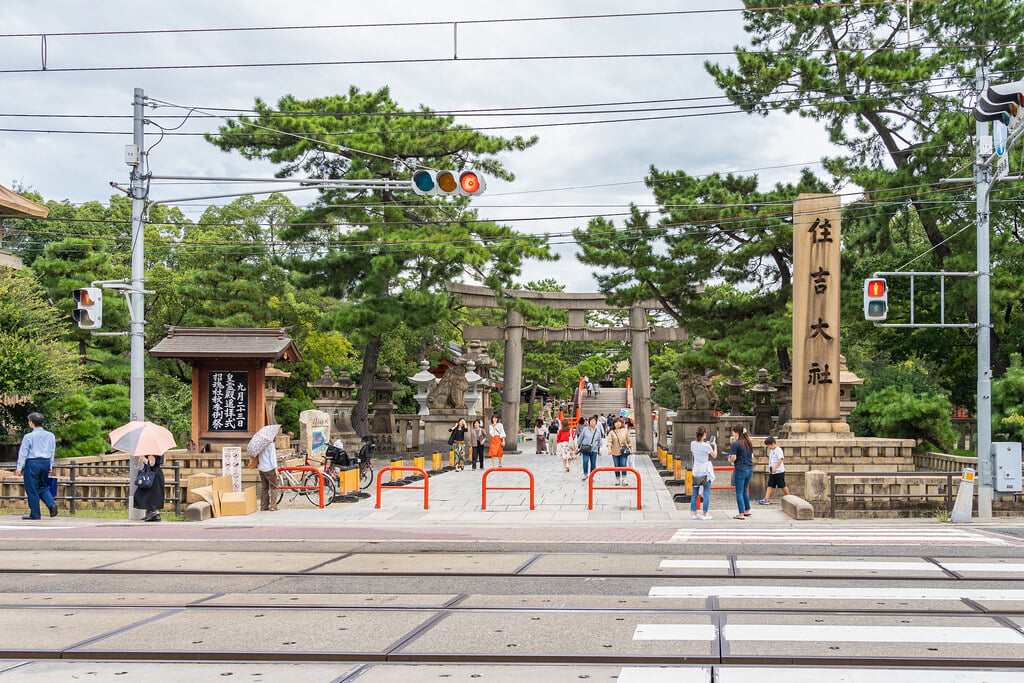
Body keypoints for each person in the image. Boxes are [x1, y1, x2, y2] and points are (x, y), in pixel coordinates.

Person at [16, 412, 57, 520]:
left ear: (31, 422)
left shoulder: (29, 436)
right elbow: (52, 451)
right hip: (45, 462)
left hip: (33, 462)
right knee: (42, 486)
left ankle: (35, 514)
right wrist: (51, 464)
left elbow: (23, 452)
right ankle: (51, 504)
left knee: (31, 488)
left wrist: (19, 467)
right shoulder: (50, 435)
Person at [689, 426, 717, 520]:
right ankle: (704, 514)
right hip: (705, 470)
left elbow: (694, 453)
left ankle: (694, 513)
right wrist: (714, 445)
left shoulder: (692, 443)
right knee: (706, 493)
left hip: (696, 470)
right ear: (704, 435)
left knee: (694, 493)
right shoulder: (707, 446)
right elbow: (714, 455)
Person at [728, 423, 755, 519]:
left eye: (733, 432)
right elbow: (752, 456)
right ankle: (747, 510)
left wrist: (729, 459)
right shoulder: (748, 442)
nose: (733, 434)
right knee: (744, 490)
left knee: (739, 492)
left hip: (740, 469)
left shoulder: (736, 444)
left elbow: (734, 458)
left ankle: (741, 513)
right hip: (749, 469)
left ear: (736, 432)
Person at [132, 454, 165, 522]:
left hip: (152, 475)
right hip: (154, 474)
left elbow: (151, 464)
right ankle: (156, 514)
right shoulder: (155, 451)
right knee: (153, 494)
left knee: (144, 494)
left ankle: (152, 511)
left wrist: (143, 457)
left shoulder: (152, 452)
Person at [759, 436, 789, 504]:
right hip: (772, 471)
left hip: (779, 471)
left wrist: (776, 467)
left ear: (772, 443)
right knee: (770, 485)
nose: (768, 447)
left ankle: (789, 497)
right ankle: (766, 498)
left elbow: (780, 459)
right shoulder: (772, 451)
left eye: (769, 445)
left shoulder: (778, 450)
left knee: (782, 485)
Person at [606, 417, 633, 486]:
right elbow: (609, 442)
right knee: (616, 466)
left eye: (619, 422)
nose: (618, 424)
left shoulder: (624, 431)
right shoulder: (611, 432)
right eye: (616, 422)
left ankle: (624, 479)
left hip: (623, 451)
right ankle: (617, 479)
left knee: (623, 464)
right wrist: (609, 449)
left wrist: (631, 449)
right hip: (615, 451)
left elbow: (628, 440)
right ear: (614, 424)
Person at [576, 416, 602, 481]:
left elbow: (599, 441)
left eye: (594, 421)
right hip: (585, 448)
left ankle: (592, 475)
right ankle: (585, 474)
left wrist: (600, 449)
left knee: (593, 463)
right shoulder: (585, 429)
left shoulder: (597, 431)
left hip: (594, 449)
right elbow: (580, 438)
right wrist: (577, 446)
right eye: (591, 421)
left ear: (596, 422)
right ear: (589, 422)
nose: (592, 423)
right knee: (585, 461)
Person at [257, 437, 279, 511]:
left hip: (261, 468)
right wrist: (275, 468)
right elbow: (272, 458)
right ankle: (273, 505)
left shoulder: (260, 444)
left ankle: (264, 506)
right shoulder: (270, 444)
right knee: (274, 486)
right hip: (269, 468)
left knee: (264, 488)